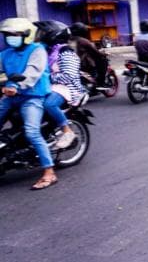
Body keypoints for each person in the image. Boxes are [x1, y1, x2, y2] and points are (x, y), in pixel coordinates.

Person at [0, 18, 57, 190]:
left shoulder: (37, 50)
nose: (11, 37)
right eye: (7, 35)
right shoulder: (6, 53)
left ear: (26, 35)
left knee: (32, 132)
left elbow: (32, 72)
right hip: (11, 97)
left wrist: (16, 85)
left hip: (32, 96)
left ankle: (49, 172)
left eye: (14, 35)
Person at [35, 21, 84, 150]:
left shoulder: (66, 52)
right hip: (50, 85)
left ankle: (67, 131)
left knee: (49, 104)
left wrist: (48, 77)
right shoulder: (46, 50)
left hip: (67, 88)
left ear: (53, 36)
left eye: (42, 34)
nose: (38, 36)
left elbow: (69, 76)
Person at [69, 22, 110, 87]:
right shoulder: (83, 41)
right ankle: (101, 82)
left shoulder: (69, 40)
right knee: (103, 60)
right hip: (82, 65)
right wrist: (103, 54)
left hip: (71, 63)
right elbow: (96, 52)